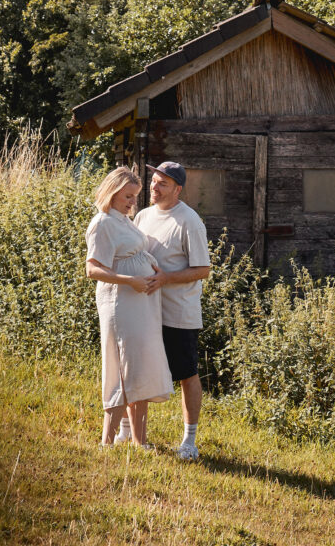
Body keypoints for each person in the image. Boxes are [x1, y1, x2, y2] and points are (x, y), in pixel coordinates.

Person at [85, 166, 172, 447]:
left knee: (139, 364)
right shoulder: (102, 223)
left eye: (135, 196)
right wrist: (130, 281)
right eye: (128, 196)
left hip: (140, 303)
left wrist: (150, 262)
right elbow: (93, 269)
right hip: (120, 302)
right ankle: (107, 442)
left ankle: (140, 441)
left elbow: (131, 249)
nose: (133, 202)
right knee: (121, 366)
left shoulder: (123, 220)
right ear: (112, 192)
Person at [131, 160, 210, 461]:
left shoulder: (189, 221)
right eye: (154, 180)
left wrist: (165, 278)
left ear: (177, 189)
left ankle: (189, 440)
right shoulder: (142, 216)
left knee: (186, 375)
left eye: (163, 182)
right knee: (140, 369)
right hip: (145, 309)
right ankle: (134, 433)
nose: (154, 186)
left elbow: (202, 269)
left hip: (179, 313)